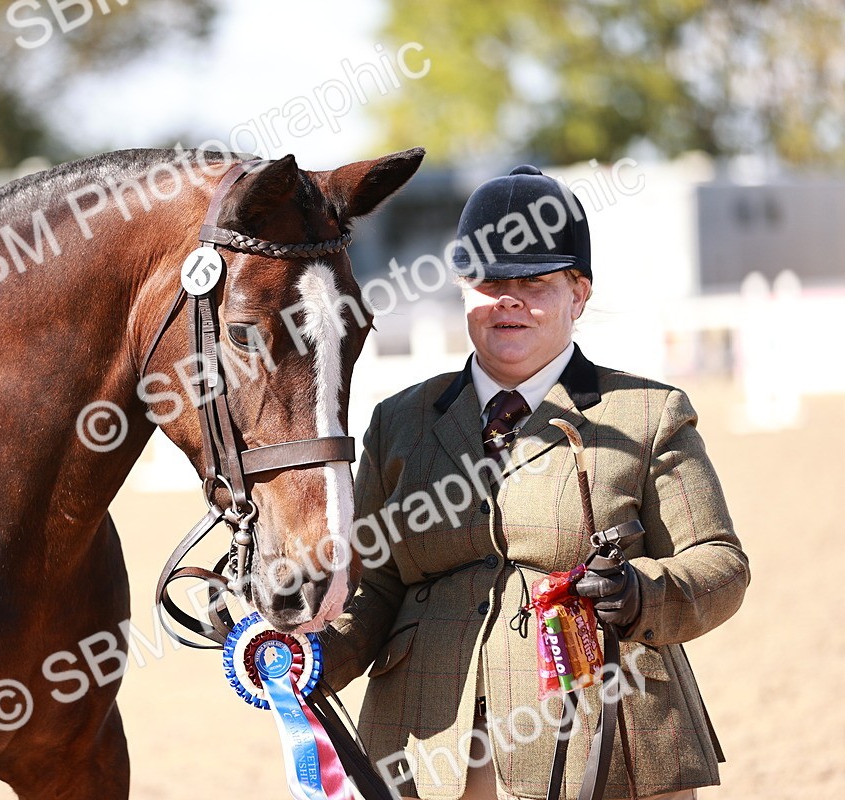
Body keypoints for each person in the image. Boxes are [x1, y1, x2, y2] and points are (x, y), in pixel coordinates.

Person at [320, 165, 749, 800]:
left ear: (580, 294)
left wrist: (641, 594)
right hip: (426, 745)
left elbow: (721, 563)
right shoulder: (397, 422)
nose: (510, 299)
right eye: (491, 280)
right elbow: (375, 585)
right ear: (464, 289)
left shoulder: (650, 413)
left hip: (606, 741)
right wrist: (310, 657)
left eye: (537, 281)